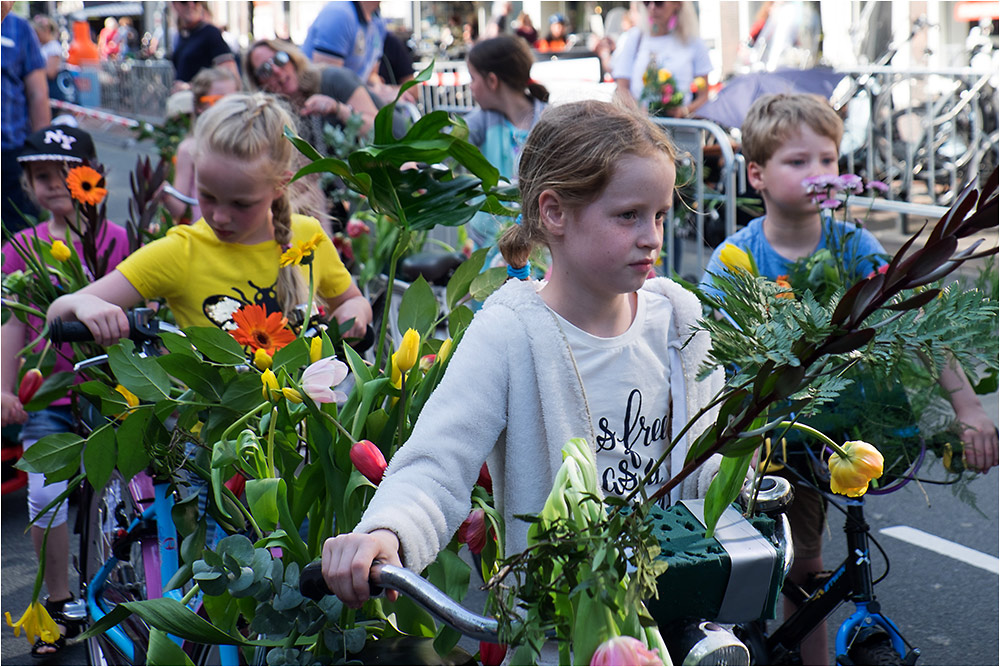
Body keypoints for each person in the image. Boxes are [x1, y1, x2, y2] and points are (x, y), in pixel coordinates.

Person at [320, 100, 725, 609]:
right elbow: (438, 461)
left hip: (681, 609)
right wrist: (386, 533)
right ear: (553, 212)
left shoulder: (679, 324)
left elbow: (716, 458)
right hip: (559, 626)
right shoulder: (511, 331)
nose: (652, 237)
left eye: (660, 215)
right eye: (628, 216)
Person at [699, 93, 998, 665]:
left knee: (822, 563)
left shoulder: (853, 246)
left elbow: (920, 323)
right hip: (771, 435)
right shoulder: (736, 259)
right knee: (778, 563)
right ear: (756, 174)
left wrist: (968, 406)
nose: (820, 175)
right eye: (798, 162)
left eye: (829, 160)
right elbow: (707, 355)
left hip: (847, 431)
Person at [46, 93, 372, 347]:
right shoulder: (180, 251)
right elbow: (58, 313)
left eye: (241, 203)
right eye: (208, 196)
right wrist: (85, 307)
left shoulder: (307, 237)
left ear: (280, 185)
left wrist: (354, 313)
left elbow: (353, 301)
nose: (218, 216)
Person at [1, 124, 130, 659]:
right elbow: (12, 323)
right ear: (28, 185)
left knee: (123, 495)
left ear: (90, 177)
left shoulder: (116, 240)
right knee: (43, 494)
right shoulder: (24, 248)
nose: (54, 185)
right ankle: (58, 599)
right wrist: (4, 387)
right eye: (41, 177)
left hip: (107, 391)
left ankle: (119, 586)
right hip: (50, 396)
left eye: (65, 174)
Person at [464, 35, 548, 256]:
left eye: (473, 78)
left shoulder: (549, 122)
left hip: (537, 247)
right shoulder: (481, 120)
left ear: (492, 81)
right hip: (488, 248)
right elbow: (444, 143)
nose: (470, 87)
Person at [246, 38, 380, 137]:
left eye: (279, 59)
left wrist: (338, 109)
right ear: (259, 84)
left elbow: (378, 129)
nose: (276, 71)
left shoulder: (332, 79)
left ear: (291, 58)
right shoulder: (276, 116)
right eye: (265, 70)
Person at [162, 66, 241, 223]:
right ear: (199, 107)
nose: (229, 108)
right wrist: (163, 192)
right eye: (219, 101)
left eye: (235, 101)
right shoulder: (189, 149)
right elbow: (180, 206)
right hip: (207, 232)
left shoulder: (249, 144)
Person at [612, 1, 711, 119]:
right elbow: (622, 87)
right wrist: (640, 112)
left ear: (677, 4)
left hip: (681, 128)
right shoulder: (635, 37)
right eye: (646, 2)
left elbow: (704, 96)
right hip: (642, 128)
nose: (652, 7)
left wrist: (683, 111)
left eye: (659, 3)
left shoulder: (693, 41)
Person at [1, 2, 51, 233]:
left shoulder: (18, 28)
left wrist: (41, 152)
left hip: (11, 150)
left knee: (17, 233)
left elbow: (38, 93)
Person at [302, 1, 385, 87]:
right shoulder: (339, 14)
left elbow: (369, 75)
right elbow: (327, 84)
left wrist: (382, 89)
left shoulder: (378, 20)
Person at [170, 1, 238, 89]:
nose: (191, 5)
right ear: (174, 5)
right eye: (184, 1)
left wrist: (188, 87)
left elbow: (230, 76)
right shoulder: (182, 35)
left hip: (206, 100)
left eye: (196, 1)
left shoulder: (210, 33)